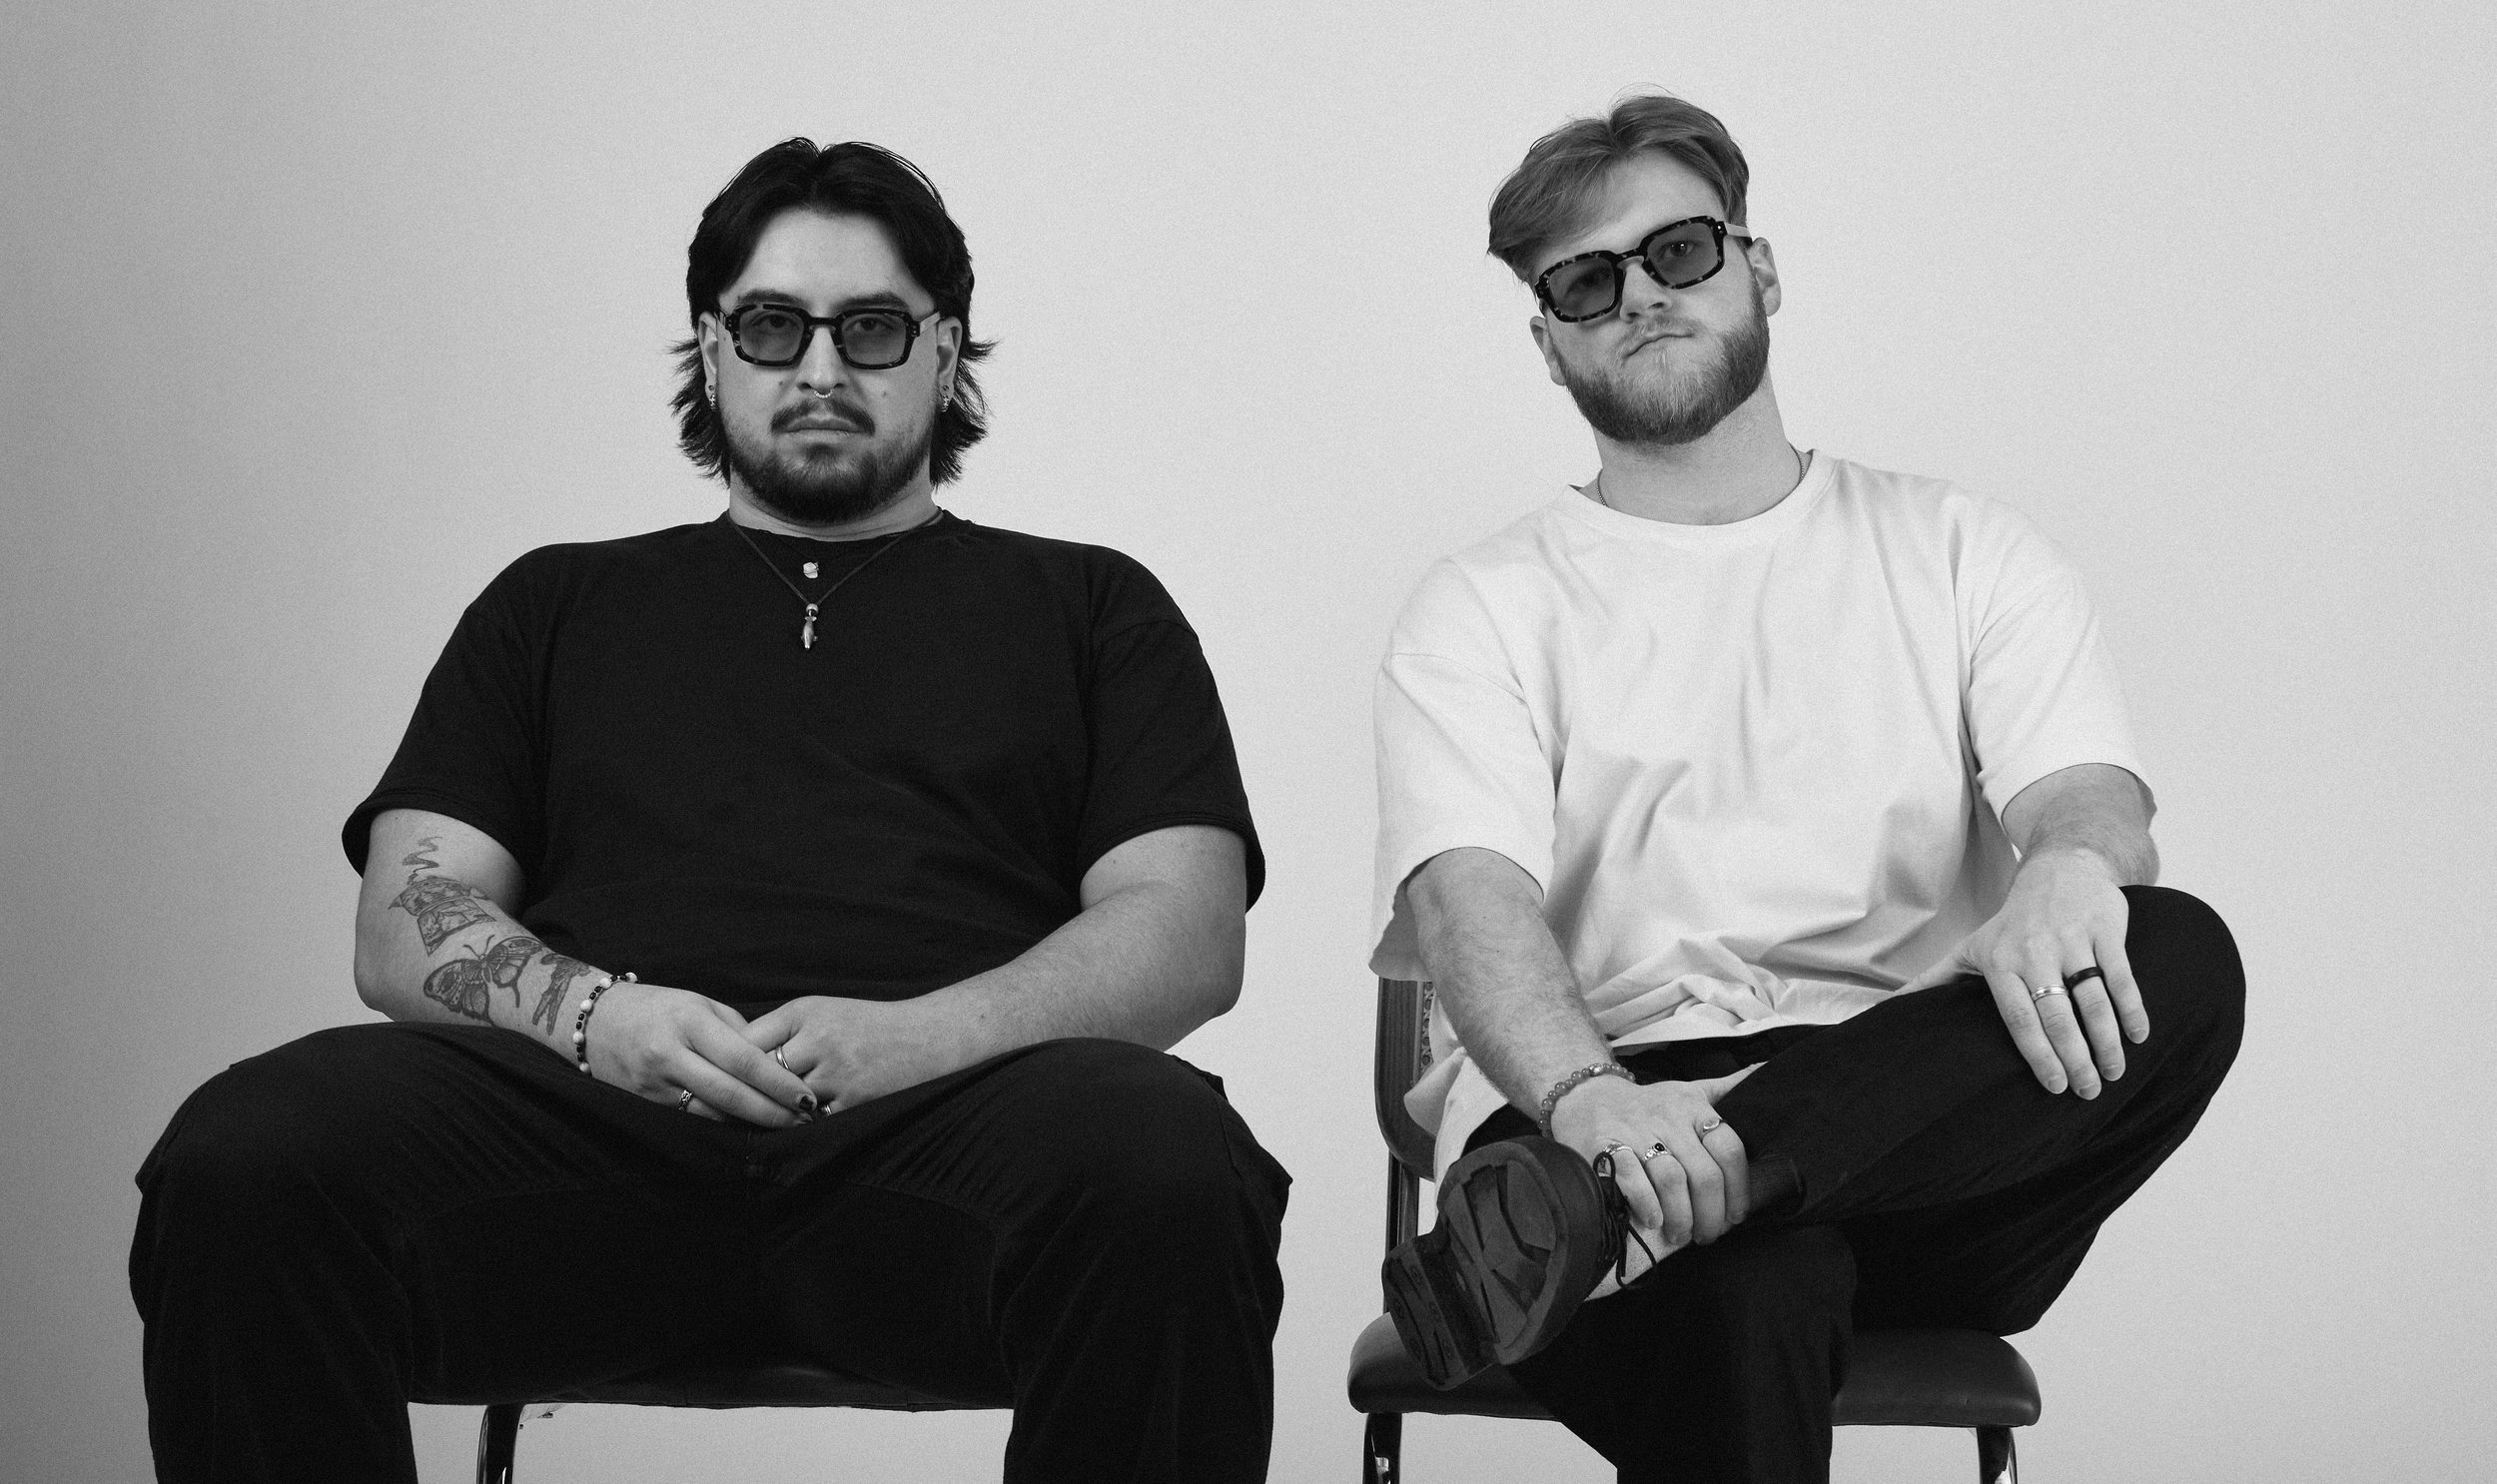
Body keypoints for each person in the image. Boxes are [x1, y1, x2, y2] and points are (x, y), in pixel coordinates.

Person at [130, 139, 1288, 1484]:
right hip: (584, 1152)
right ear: (712, 346)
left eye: (870, 329)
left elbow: (1189, 928)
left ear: (947, 350)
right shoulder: (555, 605)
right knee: (245, 1154)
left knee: (1170, 1163)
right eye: (770, 325)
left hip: (943, 1163)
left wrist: (921, 1040)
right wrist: (597, 1015)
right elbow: (408, 915)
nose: (818, 367)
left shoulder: (1093, 608)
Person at [1370, 92, 2242, 1483]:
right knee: (1753, 1290)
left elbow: (2089, 802)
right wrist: (1594, 1113)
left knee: (2180, 951)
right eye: (1586, 286)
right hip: (1605, 1116)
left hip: (1918, 1140)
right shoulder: (1481, 608)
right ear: (1546, 343)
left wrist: (2072, 871)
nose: (1642, 299)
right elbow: (1472, 904)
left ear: (1759, 269)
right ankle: (1640, 1205)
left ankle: (1650, 1208)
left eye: (1680, 253)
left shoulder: (1963, 549)